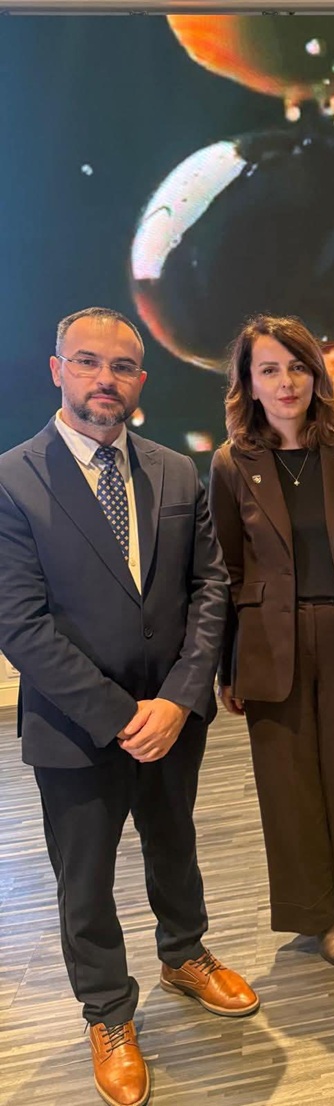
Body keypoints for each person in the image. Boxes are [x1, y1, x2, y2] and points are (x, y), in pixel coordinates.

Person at [0, 307, 259, 1106]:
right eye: (87, 361)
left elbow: (210, 588)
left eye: (121, 366)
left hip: (173, 720)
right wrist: (121, 716)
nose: (104, 379)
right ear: (58, 370)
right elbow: (20, 622)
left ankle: (184, 954)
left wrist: (179, 700)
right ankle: (109, 1012)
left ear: (140, 380)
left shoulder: (176, 472)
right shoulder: (13, 479)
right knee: (84, 879)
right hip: (76, 728)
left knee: (174, 844)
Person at [209, 314, 334, 976]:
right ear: (249, 383)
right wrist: (227, 668)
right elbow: (227, 573)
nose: (286, 381)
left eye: (297, 366)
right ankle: (318, 919)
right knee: (289, 791)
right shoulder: (231, 464)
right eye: (269, 369)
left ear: (317, 375)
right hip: (269, 647)